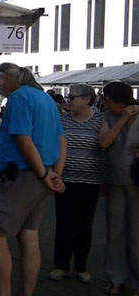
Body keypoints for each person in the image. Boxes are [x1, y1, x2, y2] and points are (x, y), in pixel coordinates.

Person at [0, 63, 66, 296]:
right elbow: (62, 141)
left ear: (5, 78)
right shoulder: (46, 99)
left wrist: (43, 174)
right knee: (29, 235)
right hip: (43, 175)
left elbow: (24, 141)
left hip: (24, 176)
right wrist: (54, 174)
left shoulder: (18, 98)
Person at [48, 84, 105, 284]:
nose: (68, 100)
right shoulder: (62, 120)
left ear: (87, 99)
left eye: (72, 97)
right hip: (65, 180)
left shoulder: (101, 120)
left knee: (85, 226)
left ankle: (81, 266)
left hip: (90, 182)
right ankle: (61, 264)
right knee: (64, 224)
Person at [97, 81, 139, 296]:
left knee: (136, 233)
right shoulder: (109, 117)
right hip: (114, 180)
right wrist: (122, 120)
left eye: (107, 100)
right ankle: (116, 278)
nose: (105, 103)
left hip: (136, 182)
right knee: (115, 232)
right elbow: (103, 143)